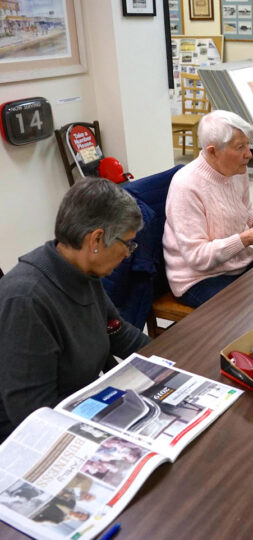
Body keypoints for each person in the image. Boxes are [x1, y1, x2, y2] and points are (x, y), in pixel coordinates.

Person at [0, 178, 151, 442]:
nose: (128, 254)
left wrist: (172, 364)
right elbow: (32, 413)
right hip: (36, 436)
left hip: (83, 408)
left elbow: (118, 333)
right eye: (127, 244)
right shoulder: (26, 300)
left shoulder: (80, 271)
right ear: (96, 239)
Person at [163, 110, 253, 307]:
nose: (249, 154)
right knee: (252, 313)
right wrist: (245, 239)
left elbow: (242, 207)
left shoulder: (237, 169)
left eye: (248, 144)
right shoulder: (186, 185)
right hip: (200, 277)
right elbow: (197, 257)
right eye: (240, 147)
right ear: (212, 151)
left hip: (238, 263)